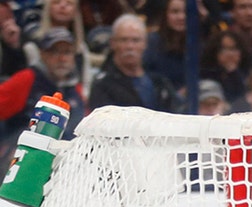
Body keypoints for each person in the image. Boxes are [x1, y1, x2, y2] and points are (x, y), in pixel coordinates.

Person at [0, 27, 85, 163]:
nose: (62, 58)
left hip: (67, 162)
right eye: (55, 52)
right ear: (42, 54)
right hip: (22, 161)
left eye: (67, 52)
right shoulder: (26, 79)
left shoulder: (76, 89)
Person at [88, 13, 179, 112]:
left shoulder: (160, 83)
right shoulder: (102, 85)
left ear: (145, 44)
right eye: (124, 40)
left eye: (136, 40)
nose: (130, 46)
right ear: (113, 43)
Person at [143, 0, 187, 93]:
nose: (181, 17)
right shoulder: (151, 42)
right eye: (175, 12)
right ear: (165, 14)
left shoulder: (198, 45)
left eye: (186, 12)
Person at [200, 29, 252, 104]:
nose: (230, 54)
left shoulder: (249, 76)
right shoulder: (205, 74)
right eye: (224, 49)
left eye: (233, 49)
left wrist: (233, 73)